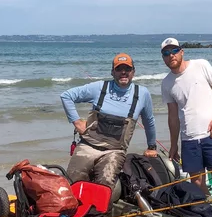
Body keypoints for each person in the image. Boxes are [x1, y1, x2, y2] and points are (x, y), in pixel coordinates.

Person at [61, 53, 158, 188]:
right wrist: (76, 122)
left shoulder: (142, 93)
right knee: (71, 183)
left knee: (105, 184)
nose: (123, 72)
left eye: (127, 69)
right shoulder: (100, 87)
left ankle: (102, 209)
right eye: (119, 69)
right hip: (87, 146)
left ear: (133, 72)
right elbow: (66, 96)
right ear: (112, 72)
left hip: (114, 151)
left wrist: (151, 147)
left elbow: (149, 121)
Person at [159, 37, 212, 194]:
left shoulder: (201, 65)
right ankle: (207, 213)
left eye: (174, 51)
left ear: (182, 52)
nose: (171, 55)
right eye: (166, 53)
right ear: (163, 57)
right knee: (196, 183)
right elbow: (172, 117)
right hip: (189, 139)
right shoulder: (166, 83)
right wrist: (173, 145)